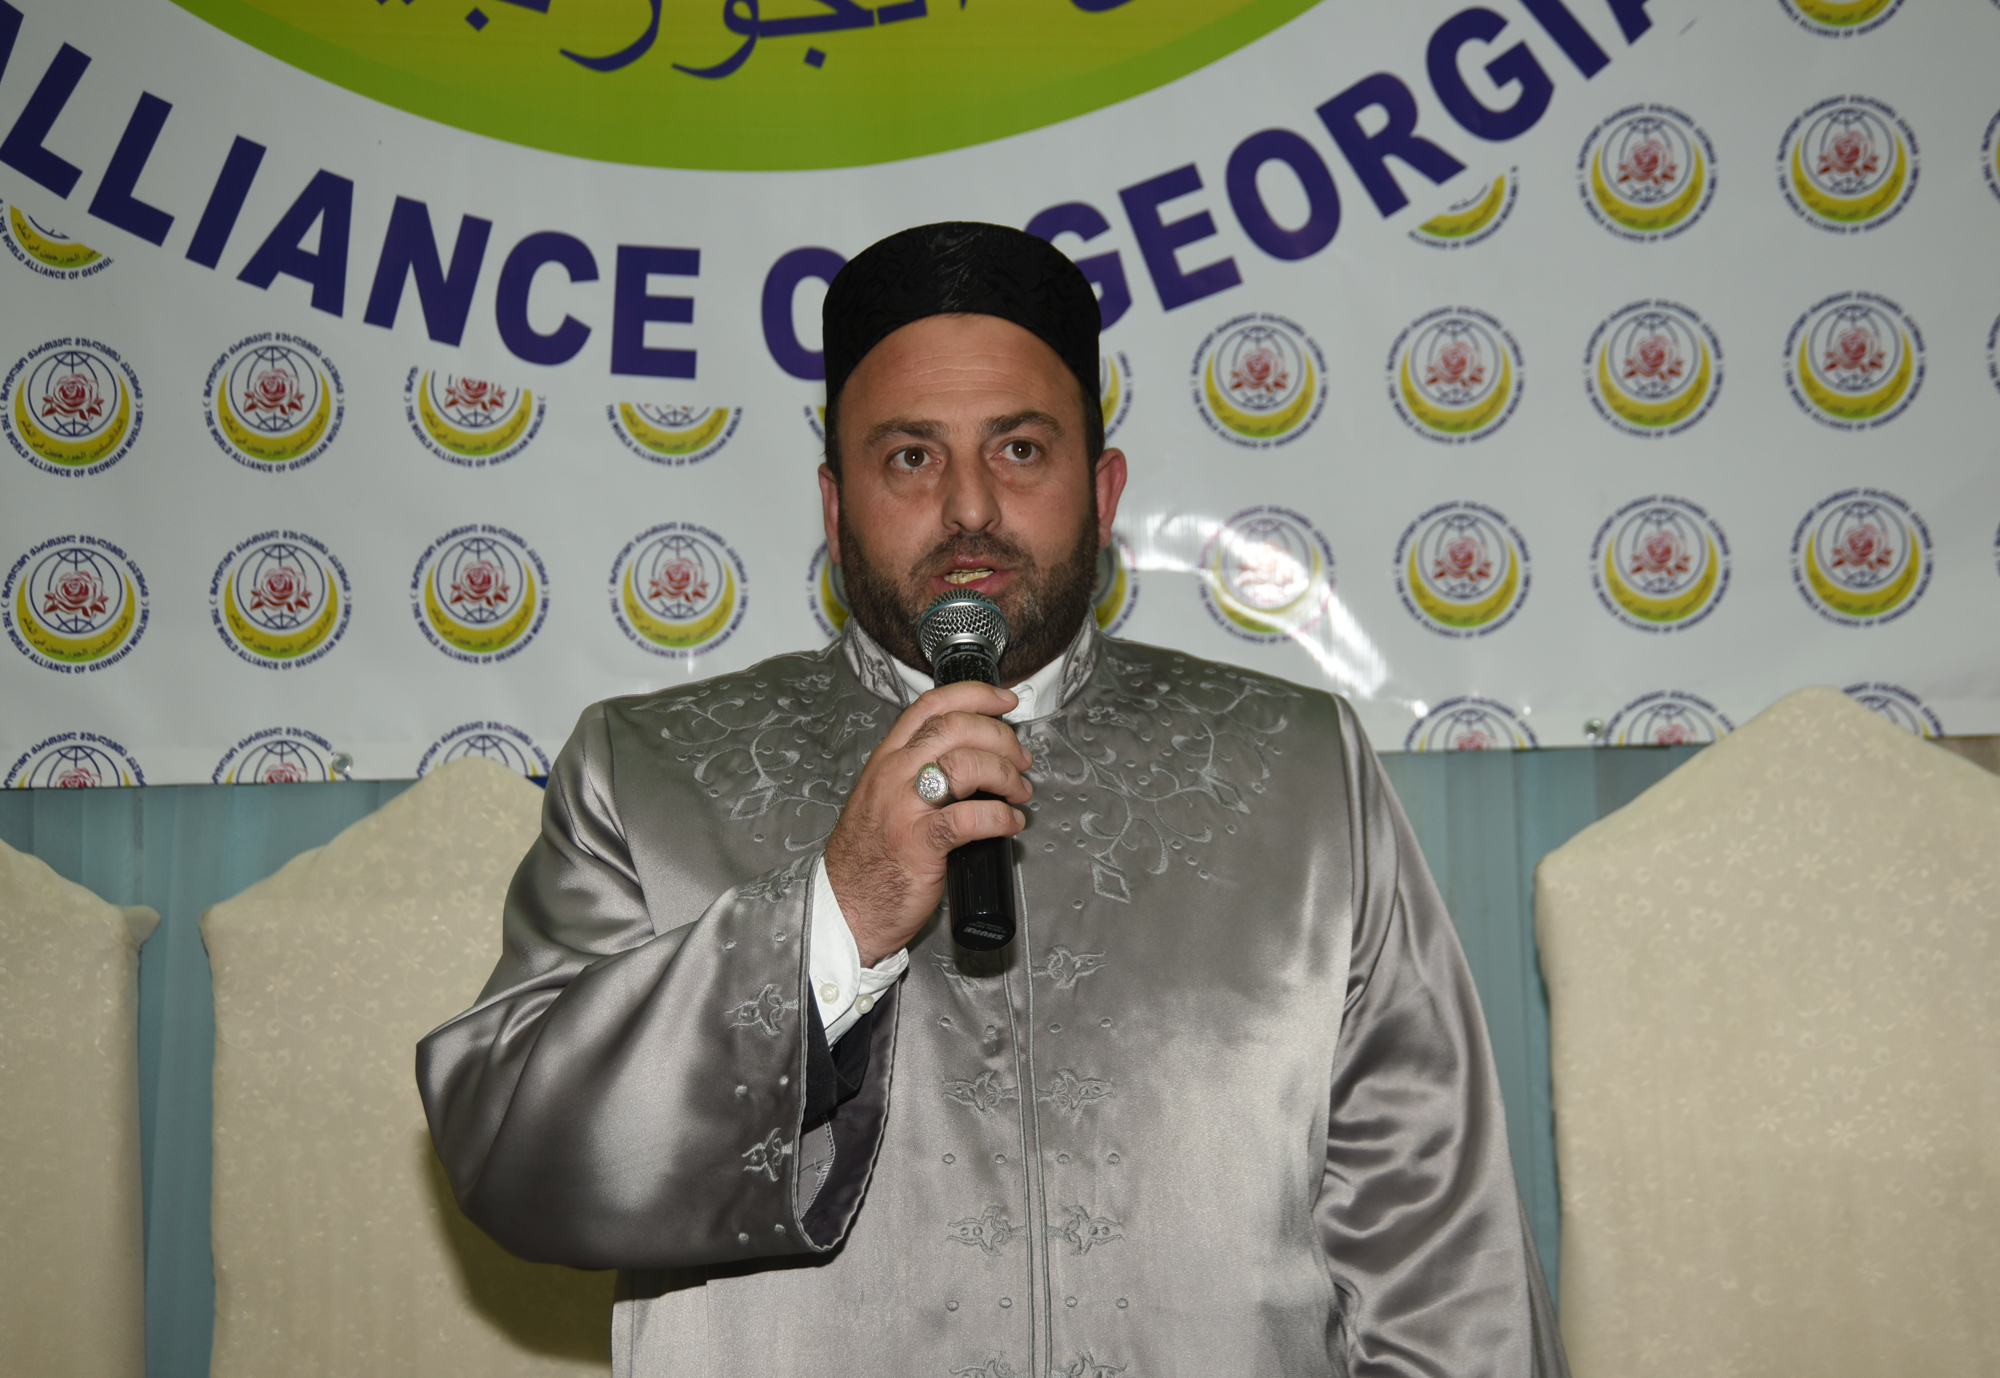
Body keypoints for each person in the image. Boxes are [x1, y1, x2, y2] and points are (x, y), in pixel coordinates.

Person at [417, 222, 1566, 1378]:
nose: (968, 507)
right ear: (834, 508)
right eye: (910, 457)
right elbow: (518, 1157)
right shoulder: (647, 773)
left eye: (1018, 448)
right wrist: (835, 915)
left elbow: (1436, 1266)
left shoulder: (1300, 771)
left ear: (1102, 491)